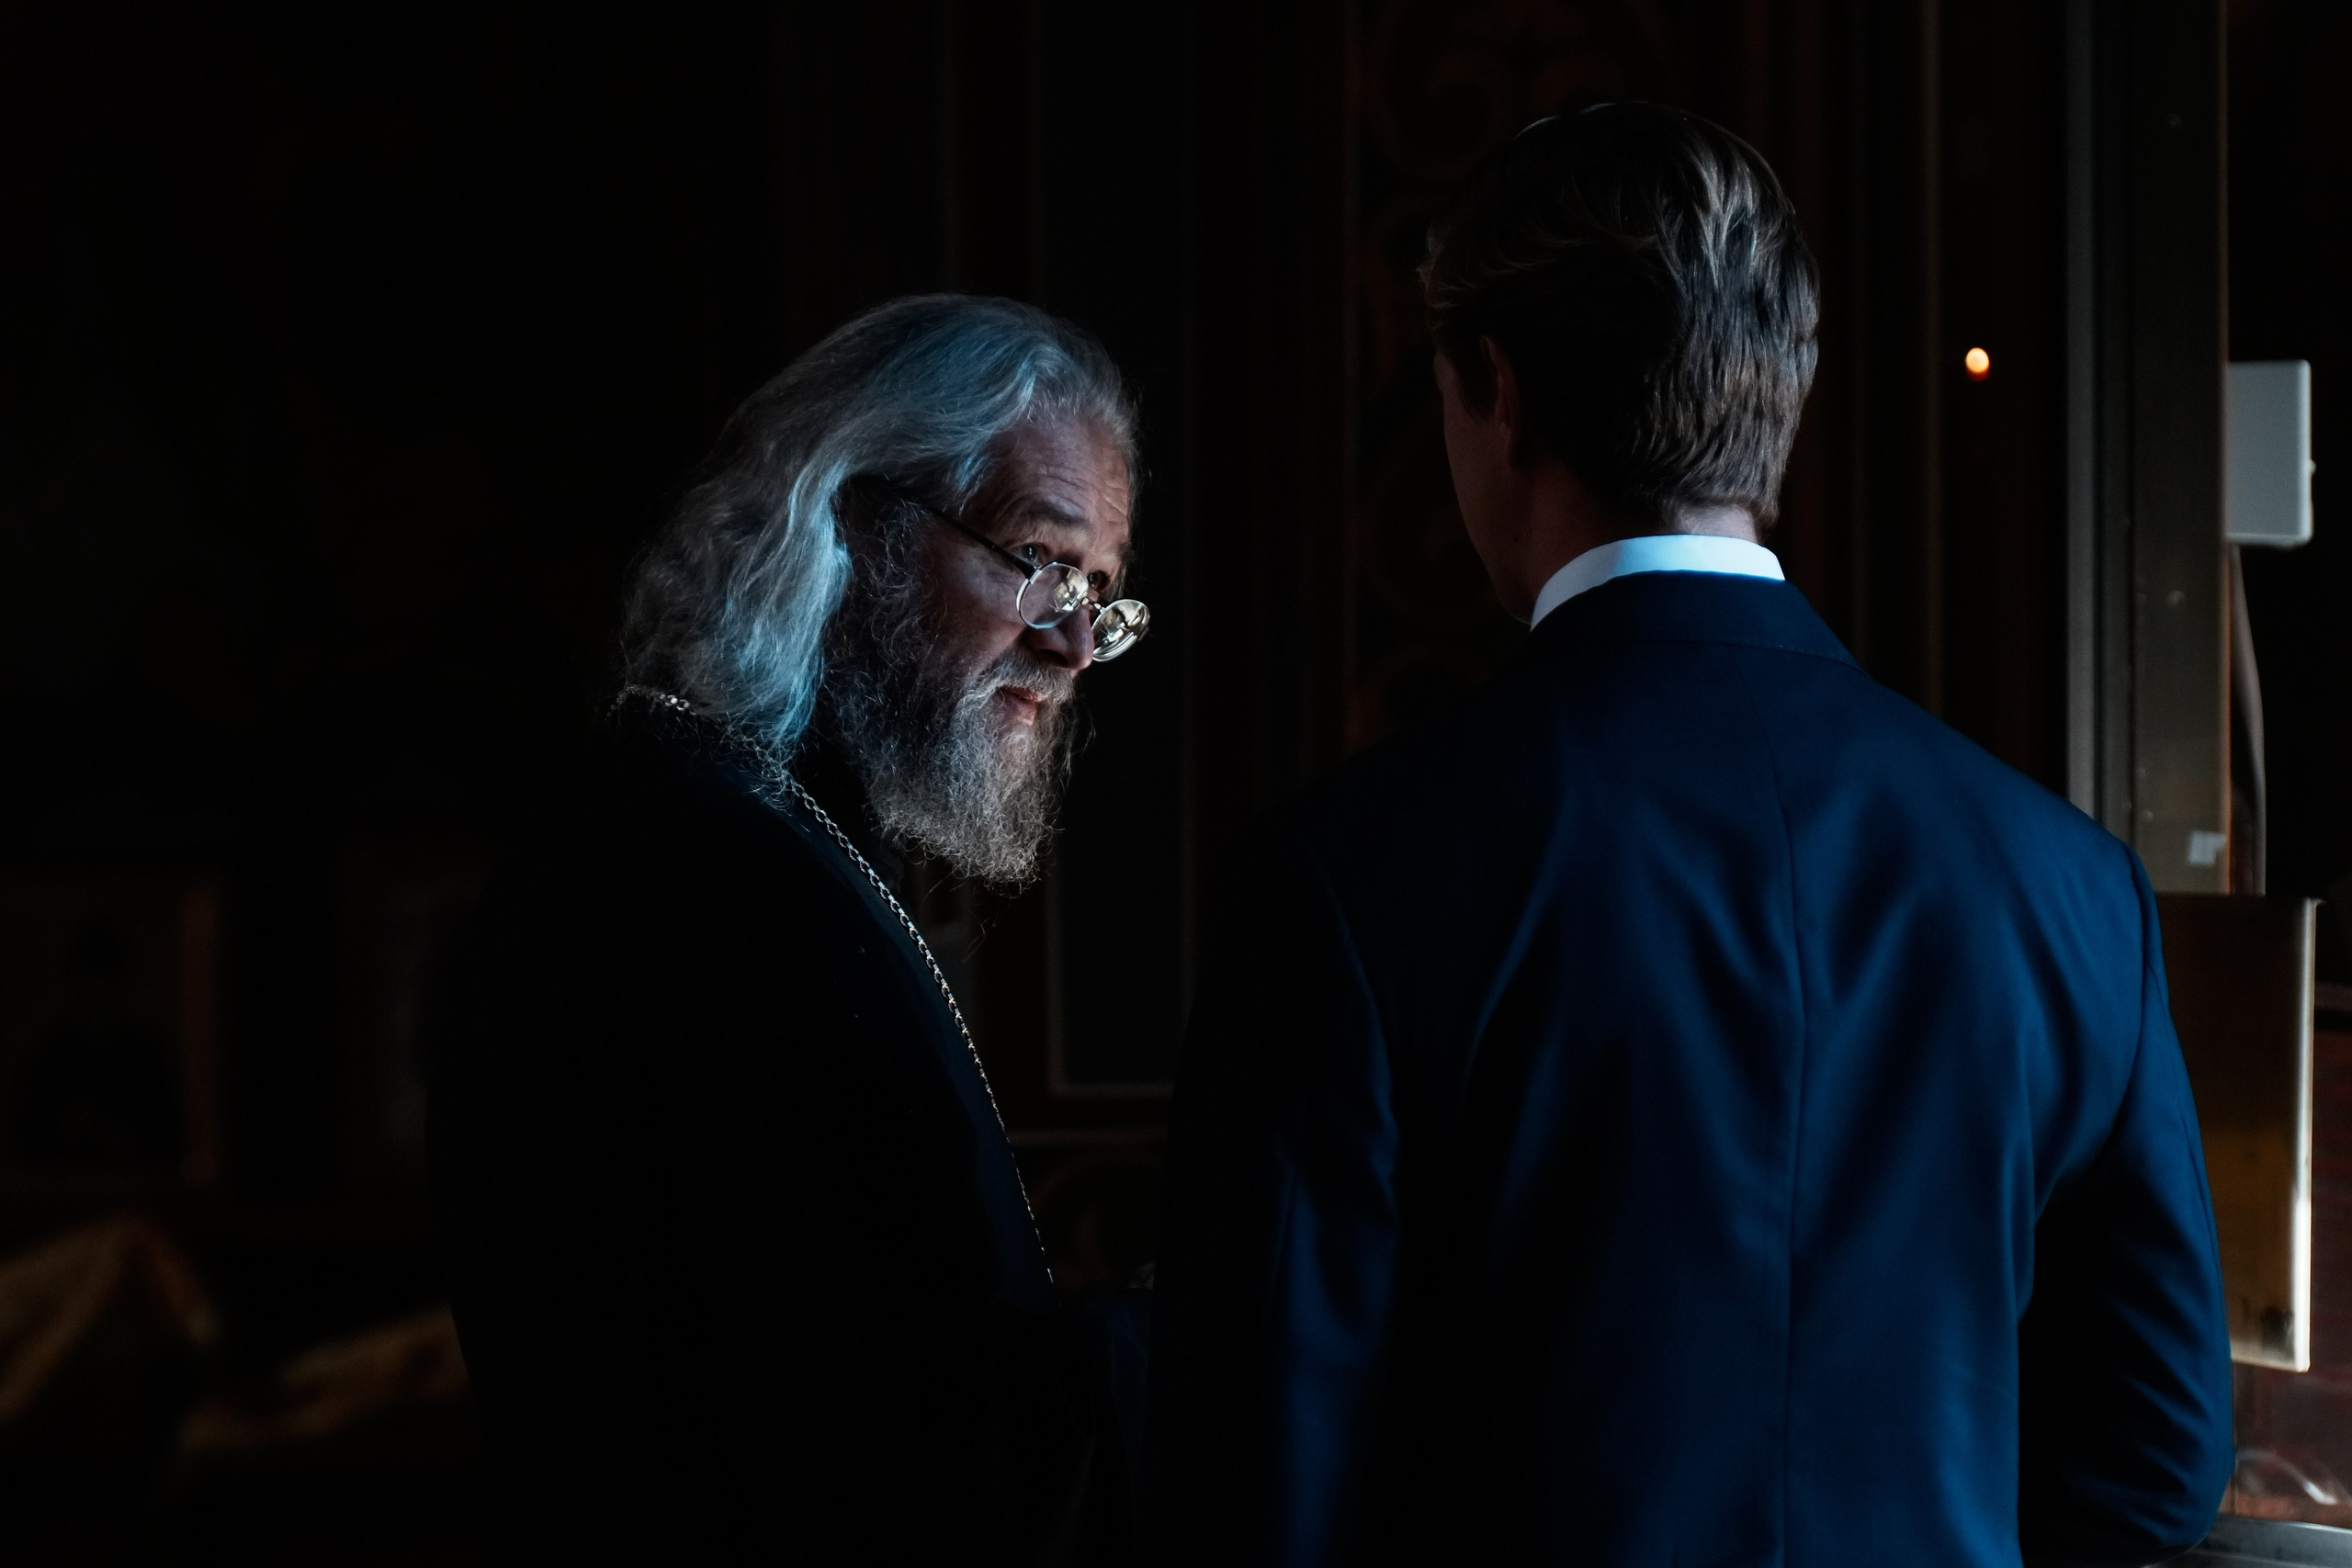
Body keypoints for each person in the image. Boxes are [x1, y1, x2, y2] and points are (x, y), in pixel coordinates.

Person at [1147, 106, 2233, 1567]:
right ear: (1778, 407)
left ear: (1496, 393)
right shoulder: (2073, 887)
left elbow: (1260, 1478)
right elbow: (2157, 1459)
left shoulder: (1351, 877)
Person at [431, 295, 1152, 1563]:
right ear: (850, 517)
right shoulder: (724, 893)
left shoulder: (713, 835)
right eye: (1040, 560)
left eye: (1105, 596)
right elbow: (897, 1460)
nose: (1072, 643)